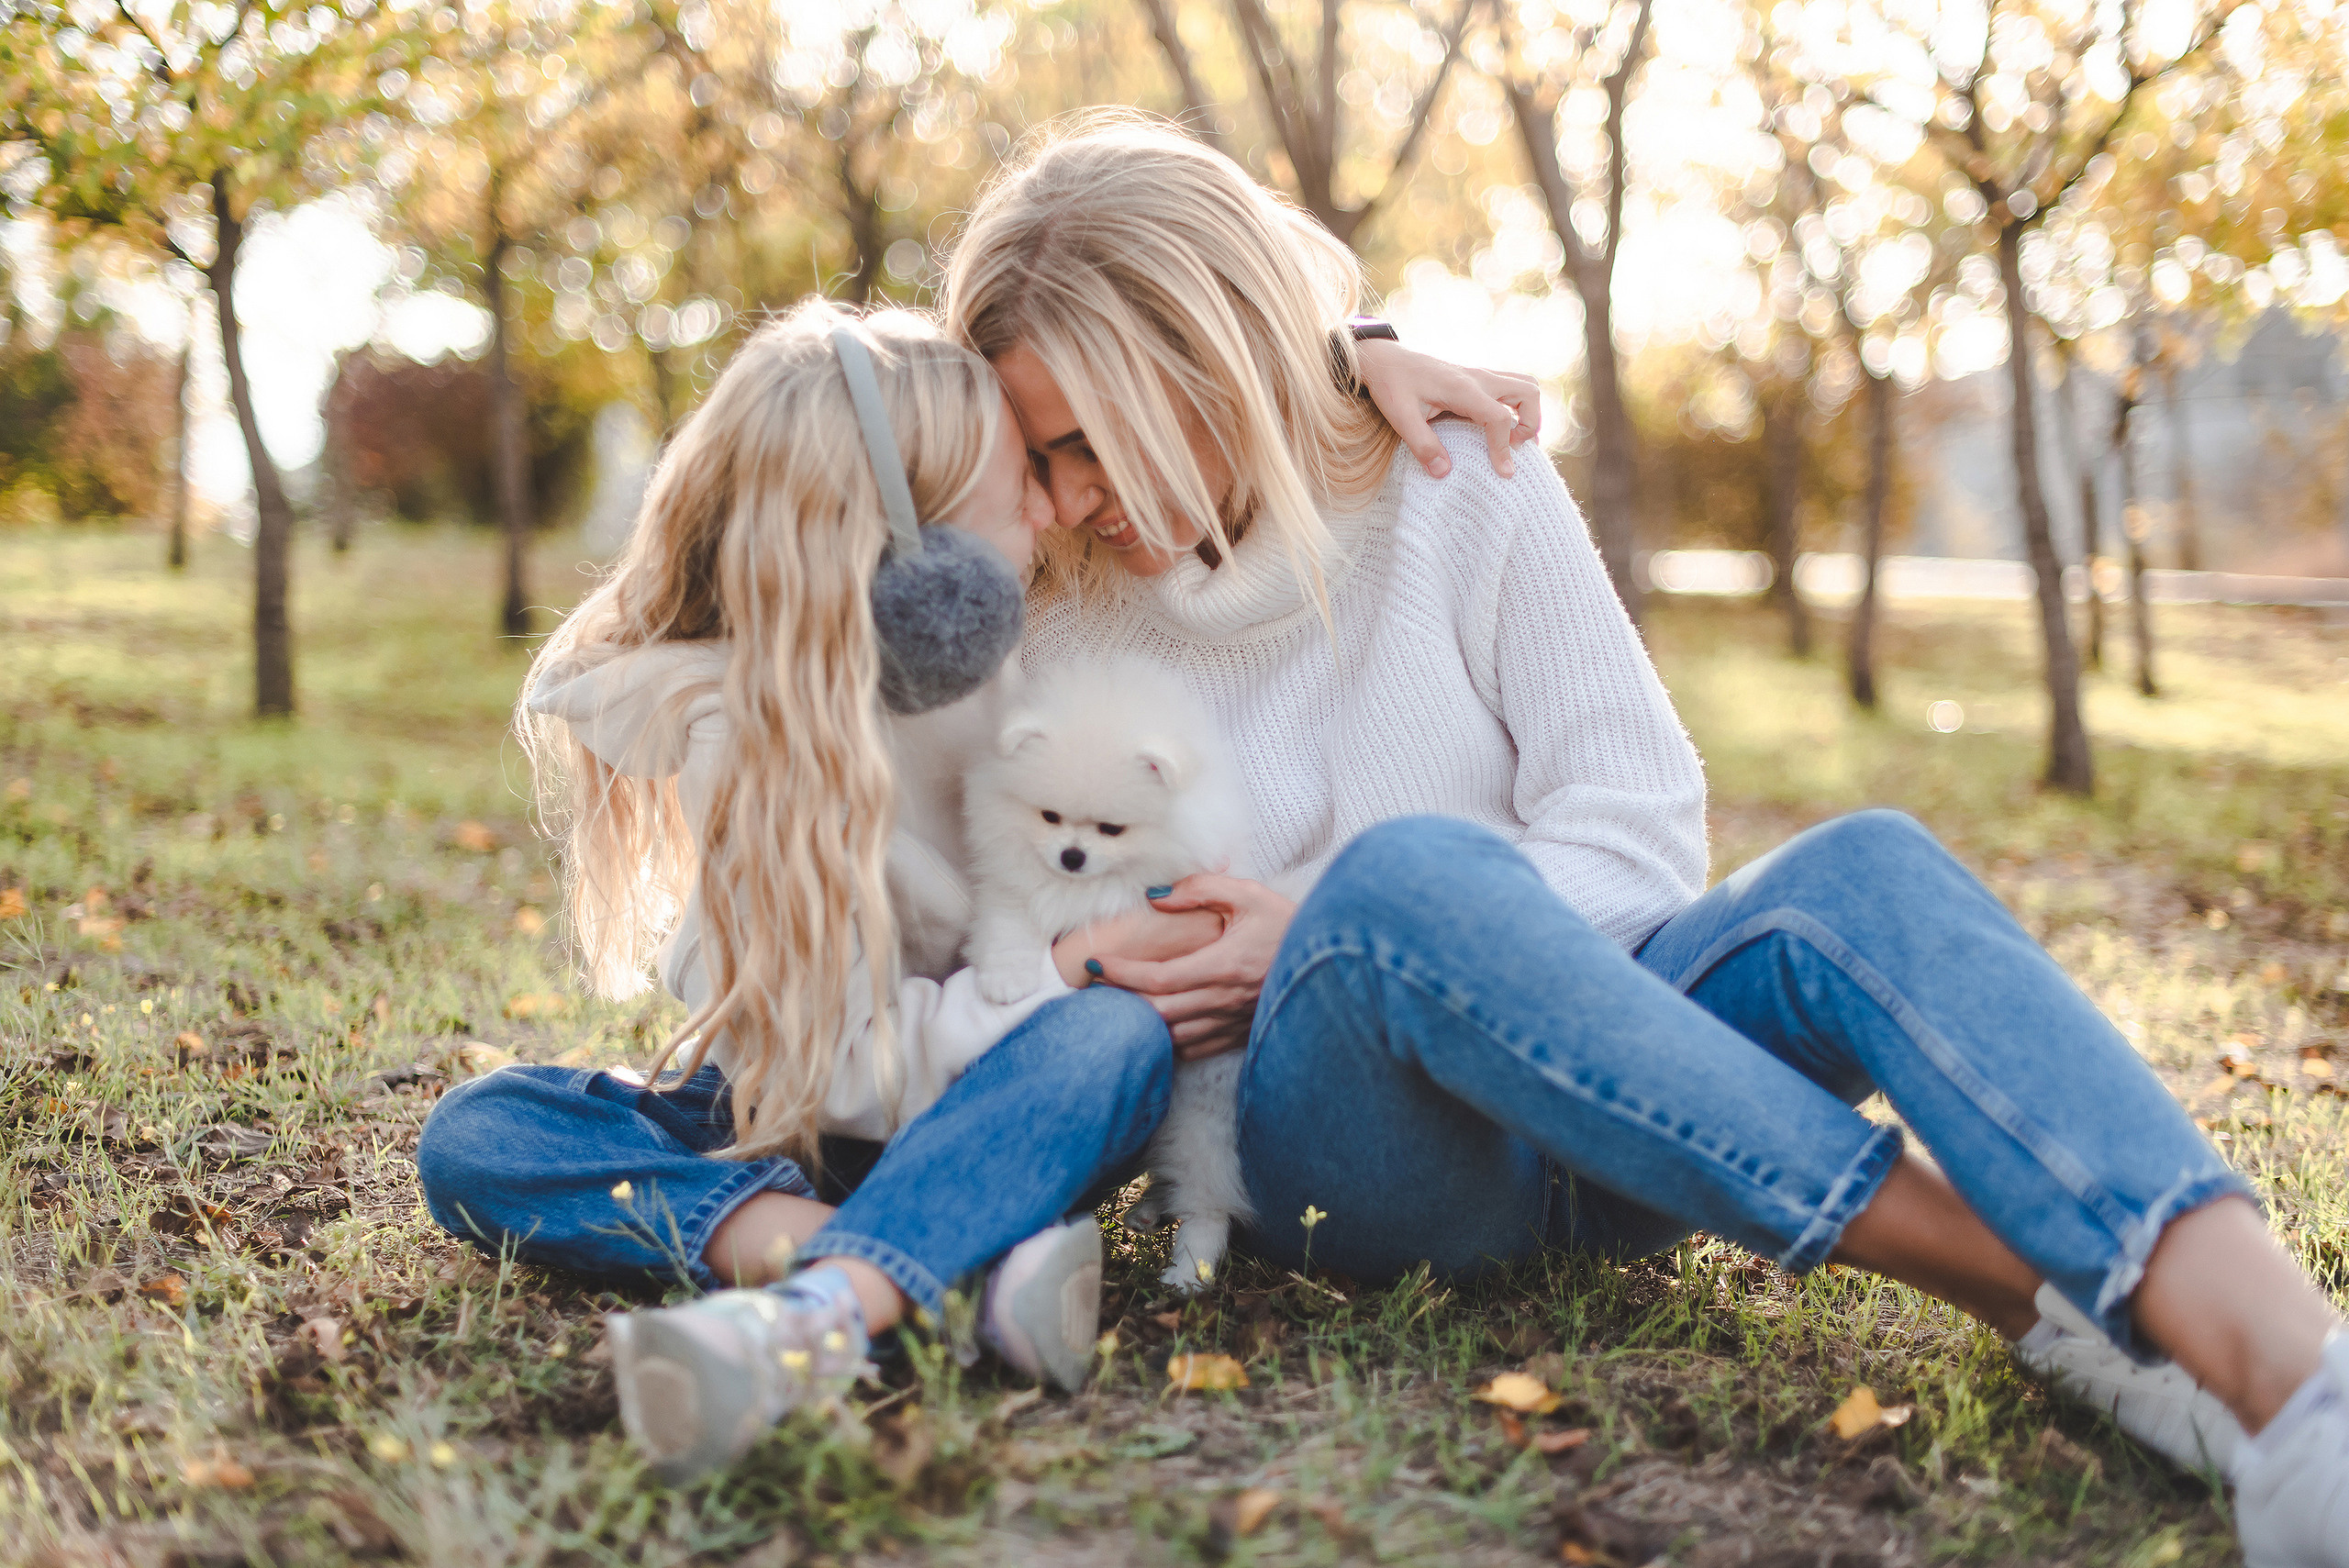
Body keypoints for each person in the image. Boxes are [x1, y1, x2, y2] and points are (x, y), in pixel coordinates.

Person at [942, 116, 2348, 1567]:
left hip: (1623, 1099)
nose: (1064, 501)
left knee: (1859, 869)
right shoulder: (1043, 612)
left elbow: (1635, 833)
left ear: (1205, 359)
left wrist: (1368, 934)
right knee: (1401, 885)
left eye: (1083, 444)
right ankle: (2022, 1281)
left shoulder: (1453, 472)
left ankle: (2301, 1384)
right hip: (1355, 1156)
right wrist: (1327, 944)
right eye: (1036, 459)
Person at [410, 297, 1531, 1485]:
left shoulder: (1018, 628)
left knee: (1109, 1038)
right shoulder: (731, 729)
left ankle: (827, 1308)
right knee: (482, 1130)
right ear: (922, 563)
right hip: (812, 1112)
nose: (1056, 506)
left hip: (1013, 1108)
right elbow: (829, 1069)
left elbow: (1152, 373)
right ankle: (935, 1271)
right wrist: (1058, 968)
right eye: (1022, 485)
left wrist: (1354, 353)